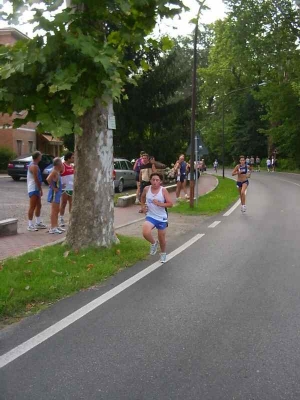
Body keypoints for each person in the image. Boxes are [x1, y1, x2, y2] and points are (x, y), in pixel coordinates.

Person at [141, 172, 173, 263]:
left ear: (160, 181)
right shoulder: (147, 189)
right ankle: (153, 243)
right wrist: (143, 206)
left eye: (157, 180)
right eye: (153, 180)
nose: (155, 182)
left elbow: (170, 204)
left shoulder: (163, 190)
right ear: (150, 180)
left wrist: (159, 204)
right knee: (145, 232)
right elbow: (142, 198)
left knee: (161, 238)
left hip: (161, 217)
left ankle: (163, 254)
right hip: (151, 216)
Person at [27, 151, 47, 231]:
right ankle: (30, 224)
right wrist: (39, 188)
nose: (41, 157)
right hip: (33, 188)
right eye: (40, 156)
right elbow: (36, 179)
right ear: (37, 157)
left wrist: (40, 189)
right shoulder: (34, 166)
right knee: (32, 206)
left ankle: (38, 222)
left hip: (36, 188)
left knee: (39, 205)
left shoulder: (35, 165)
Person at [46, 157, 64, 234]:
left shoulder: (57, 172)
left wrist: (61, 186)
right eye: (61, 163)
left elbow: (56, 182)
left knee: (57, 210)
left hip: (58, 193)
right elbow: (48, 179)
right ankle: (53, 227)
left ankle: (56, 226)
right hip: (54, 193)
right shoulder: (54, 171)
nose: (62, 165)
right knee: (54, 210)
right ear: (58, 164)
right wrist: (54, 188)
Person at [59, 152, 75, 227]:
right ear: (68, 158)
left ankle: (71, 219)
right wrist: (59, 184)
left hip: (71, 188)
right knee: (64, 203)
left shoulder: (72, 166)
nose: (73, 159)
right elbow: (56, 174)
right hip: (64, 188)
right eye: (72, 158)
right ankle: (61, 219)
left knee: (71, 204)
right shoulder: (62, 165)